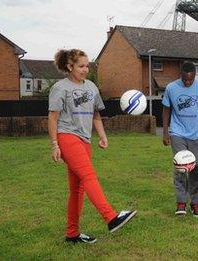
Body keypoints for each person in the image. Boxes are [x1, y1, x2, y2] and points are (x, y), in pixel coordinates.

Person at [48, 49, 137, 244]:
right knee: (89, 175)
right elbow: (53, 118)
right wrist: (55, 144)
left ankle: (72, 234)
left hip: (84, 140)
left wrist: (103, 136)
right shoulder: (60, 88)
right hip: (67, 136)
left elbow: (96, 115)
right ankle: (111, 218)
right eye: (81, 66)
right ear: (70, 66)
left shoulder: (91, 87)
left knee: (77, 190)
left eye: (87, 65)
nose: (85, 69)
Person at [162, 62, 198, 217]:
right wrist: (165, 132)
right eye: (184, 80)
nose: (187, 82)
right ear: (180, 74)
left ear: (195, 76)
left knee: (196, 169)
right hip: (177, 132)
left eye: (190, 80)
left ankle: (196, 204)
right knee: (180, 167)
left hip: (197, 134)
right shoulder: (171, 88)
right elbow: (166, 109)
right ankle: (180, 203)